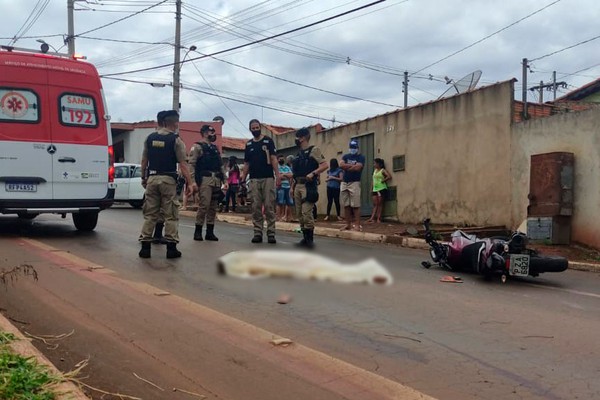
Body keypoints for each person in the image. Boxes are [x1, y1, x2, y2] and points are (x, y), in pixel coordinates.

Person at [138, 110, 194, 259]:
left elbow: (144, 161)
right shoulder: (176, 140)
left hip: (152, 179)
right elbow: (183, 164)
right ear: (173, 122)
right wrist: (190, 183)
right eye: (177, 122)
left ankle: (145, 247)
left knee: (150, 214)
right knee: (171, 215)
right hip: (168, 181)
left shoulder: (149, 138)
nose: (177, 125)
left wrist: (143, 177)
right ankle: (171, 248)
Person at [241, 119, 281, 244]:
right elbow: (246, 163)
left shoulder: (268, 141)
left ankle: (271, 233)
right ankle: (257, 232)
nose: (255, 130)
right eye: (252, 128)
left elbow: (274, 159)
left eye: (256, 127)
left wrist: (278, 175)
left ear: (260, 127)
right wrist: (243, 178)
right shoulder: (248, 145)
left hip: (268, 177)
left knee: (269, 206)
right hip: (253, 179)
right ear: (250, 129)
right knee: (256, 206)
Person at [291, 127, 328, 248]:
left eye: (298, 137)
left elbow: (324, 165)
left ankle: (310, 239)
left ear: (303, 137)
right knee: (299, 214)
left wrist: (314, 173)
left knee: (306, 212)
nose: (296, 139)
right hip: (298, 184)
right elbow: (295, 173)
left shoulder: (314, 150)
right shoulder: (299, 154)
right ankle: (304, 238)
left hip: (308, 185)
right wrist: (292, 186)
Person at [189, 124, 224, 241]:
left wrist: (225, 180)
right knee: (204, 205)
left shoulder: (215, 148)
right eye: (211, 132)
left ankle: (210, 232)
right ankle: (198, 231)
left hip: (216, 179)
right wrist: (192, 181)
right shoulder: (197, 147)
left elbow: (220, 165)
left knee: (213, 207)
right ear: (204, 133)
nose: (213, 134)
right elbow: (192, 165)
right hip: (205, 179)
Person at [339, 139, 365, 232]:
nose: (352, 149)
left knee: (356, 205)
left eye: (354, 148)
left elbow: (358, 167)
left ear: (357, 148)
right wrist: (352, 167)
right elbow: (341, 165)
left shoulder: (361, 157)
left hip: (354, 182)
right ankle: (348, 224)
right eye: (351, 147)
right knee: (346, 205)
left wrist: (347, 167)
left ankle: (357, 225)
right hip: (344, 182)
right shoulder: (345, 156)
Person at [367, 158, 391, 223]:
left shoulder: (382, 170)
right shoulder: (375, 171)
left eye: (375, 163)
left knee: (380, 203)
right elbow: (373, 180)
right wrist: (371, 188)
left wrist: (383, 180)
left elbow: (389, 176)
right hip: (375, 188)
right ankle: (372, 218)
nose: (374, 164)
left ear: (378, 164)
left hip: (381, 188)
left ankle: (379, 218)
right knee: (375, 203)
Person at [276, 154, 293, 222]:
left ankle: (287, 217)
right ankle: (279, 217)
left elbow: (291, 175)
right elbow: (279, 176)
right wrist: (286, 176)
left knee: (289, 203)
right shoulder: (277, 167)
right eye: (280, 159)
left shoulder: (287, 167)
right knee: (279, 202)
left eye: (282, 159)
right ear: (277, 160)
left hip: (288, 187)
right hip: (280, 186)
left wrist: (284, 174)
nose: (281, 160)